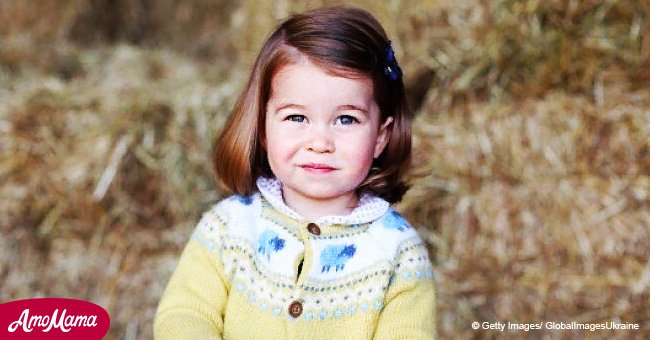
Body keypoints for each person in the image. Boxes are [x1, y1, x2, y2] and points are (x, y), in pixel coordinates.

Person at [154, 6, 436, 339]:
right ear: (262, 128)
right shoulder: (228, 228)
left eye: (346, 119)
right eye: (296, 118)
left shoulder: (398, 253)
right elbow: (184, 314)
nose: (320, 143)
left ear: (379, 138)